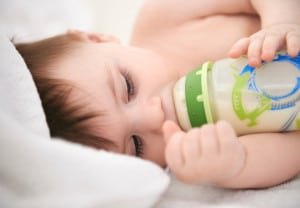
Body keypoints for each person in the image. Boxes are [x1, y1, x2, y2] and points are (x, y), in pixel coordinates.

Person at [15, 0, 300, 189]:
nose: (154, 115)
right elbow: (293, 149)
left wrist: (281, 23)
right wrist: (236, 165)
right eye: (136, 146)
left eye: (128, 86)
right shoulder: (200, 146)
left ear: (97, 38)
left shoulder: (164, 19)